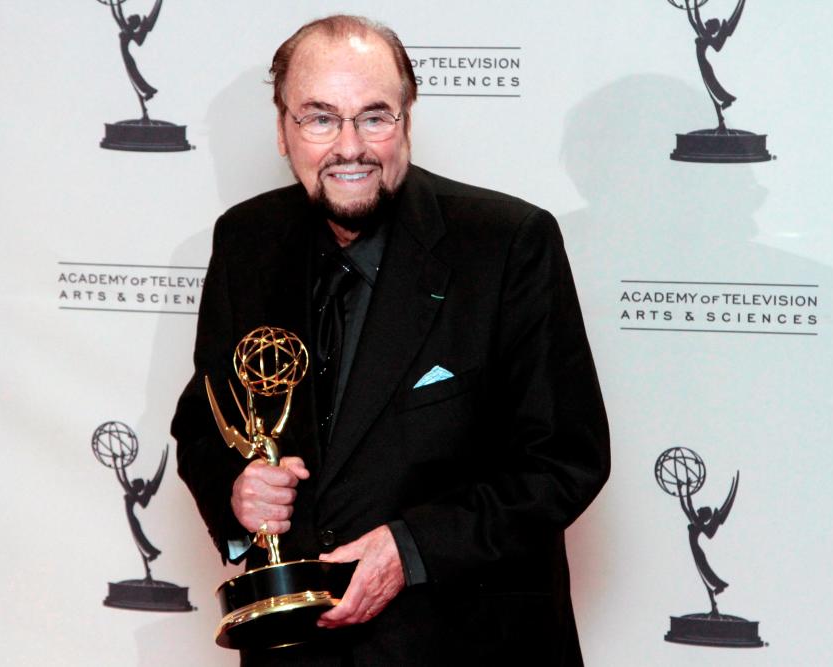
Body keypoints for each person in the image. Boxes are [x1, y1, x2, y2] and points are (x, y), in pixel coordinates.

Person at [171, 15, 610, 665]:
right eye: (320, 118)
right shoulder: (246, 240)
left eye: (374, 117)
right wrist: (239, 496)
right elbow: (204, 424)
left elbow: (563, 461)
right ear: (283, 130)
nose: (350, 147)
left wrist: (410, 549)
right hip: (300, 651)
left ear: (407, 119)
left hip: (465, 646)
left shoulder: (507, 243)